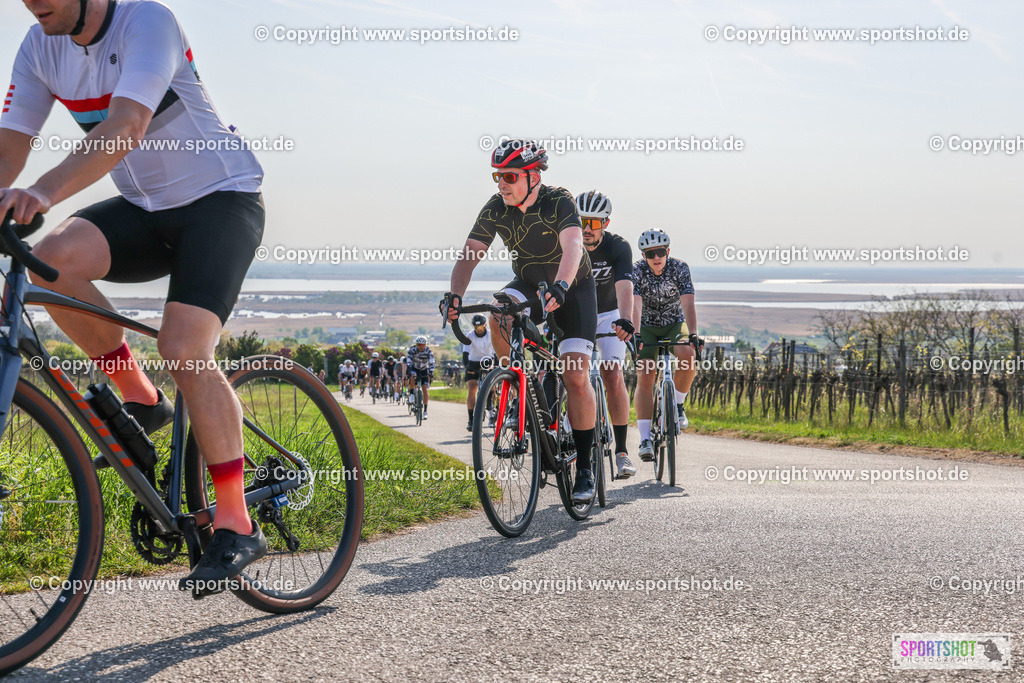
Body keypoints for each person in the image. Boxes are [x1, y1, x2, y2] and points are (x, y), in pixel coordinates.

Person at [0, 0, 266, 594]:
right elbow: (9, 146)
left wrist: (40, 192)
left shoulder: (148, 20)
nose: (32, 2)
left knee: (184, 348)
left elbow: (125, 126)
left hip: (220, 200)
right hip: (146, 210)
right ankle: (142, 399)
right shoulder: (39, 44)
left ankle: (235, 519)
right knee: (49, 264)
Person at [444, 139, 598, 503]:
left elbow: (574, 246)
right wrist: (455, 296)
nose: (502, 184)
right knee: (499, 313)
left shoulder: (558, 200)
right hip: (529, 285)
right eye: (498, 176)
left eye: (509, 176)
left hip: (573, 289)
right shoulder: (497, 207)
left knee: (575, 375)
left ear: (532, 175)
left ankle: (586, 469)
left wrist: (561, 285)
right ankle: (515, 386)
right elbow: (469, 256)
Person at [577, 190, 636, 478]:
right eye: (582, 220)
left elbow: (625, 284)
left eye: (595, 222)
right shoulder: (567, 243)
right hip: (576, 313)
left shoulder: (618, 246)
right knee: (573, 375)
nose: (587, 228)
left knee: (613, 374)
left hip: (609, 314)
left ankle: (622, 451)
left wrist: (625, 319)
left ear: (606, 223)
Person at [630, 229, 701, 462]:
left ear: (668, 251)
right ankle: (644, 439)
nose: (656, 257)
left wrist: (692, 334)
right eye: (650, 254)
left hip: (673, 323)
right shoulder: (636, 271)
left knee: (689, 354)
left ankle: (678, 406)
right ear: (643, 256)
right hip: (647, 326)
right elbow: (636, 303)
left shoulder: (680, 268)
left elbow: (688, 300)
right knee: (646, 374)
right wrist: (637, 334)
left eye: (660, 252)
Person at [462, 313, 495, 431]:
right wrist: (467, 367)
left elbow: (495, 352)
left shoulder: (491, 335)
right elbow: (465, 353)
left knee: (492, 384)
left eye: (481, 327)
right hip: (473, 361)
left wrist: (493, 365)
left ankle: (491, 413)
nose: (479, 330)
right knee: (472, 387)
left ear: (485, 325)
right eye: (476, 328)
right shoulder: (470, 335)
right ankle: (471, 419)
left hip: (487, 361)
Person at [406, 335, 434, 418]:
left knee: (425, 389)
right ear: (416, 344)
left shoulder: (428, 351)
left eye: (422, 345)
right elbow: (408, 360)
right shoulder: (412, 350)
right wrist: (409, 369)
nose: (420, 346)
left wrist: (431, 371)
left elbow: (432, 362)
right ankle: (411, 394)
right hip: (415, 368)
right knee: (413, 376)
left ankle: (425, 411)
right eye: (419, 345)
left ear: (425, 345)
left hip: (424, 369)